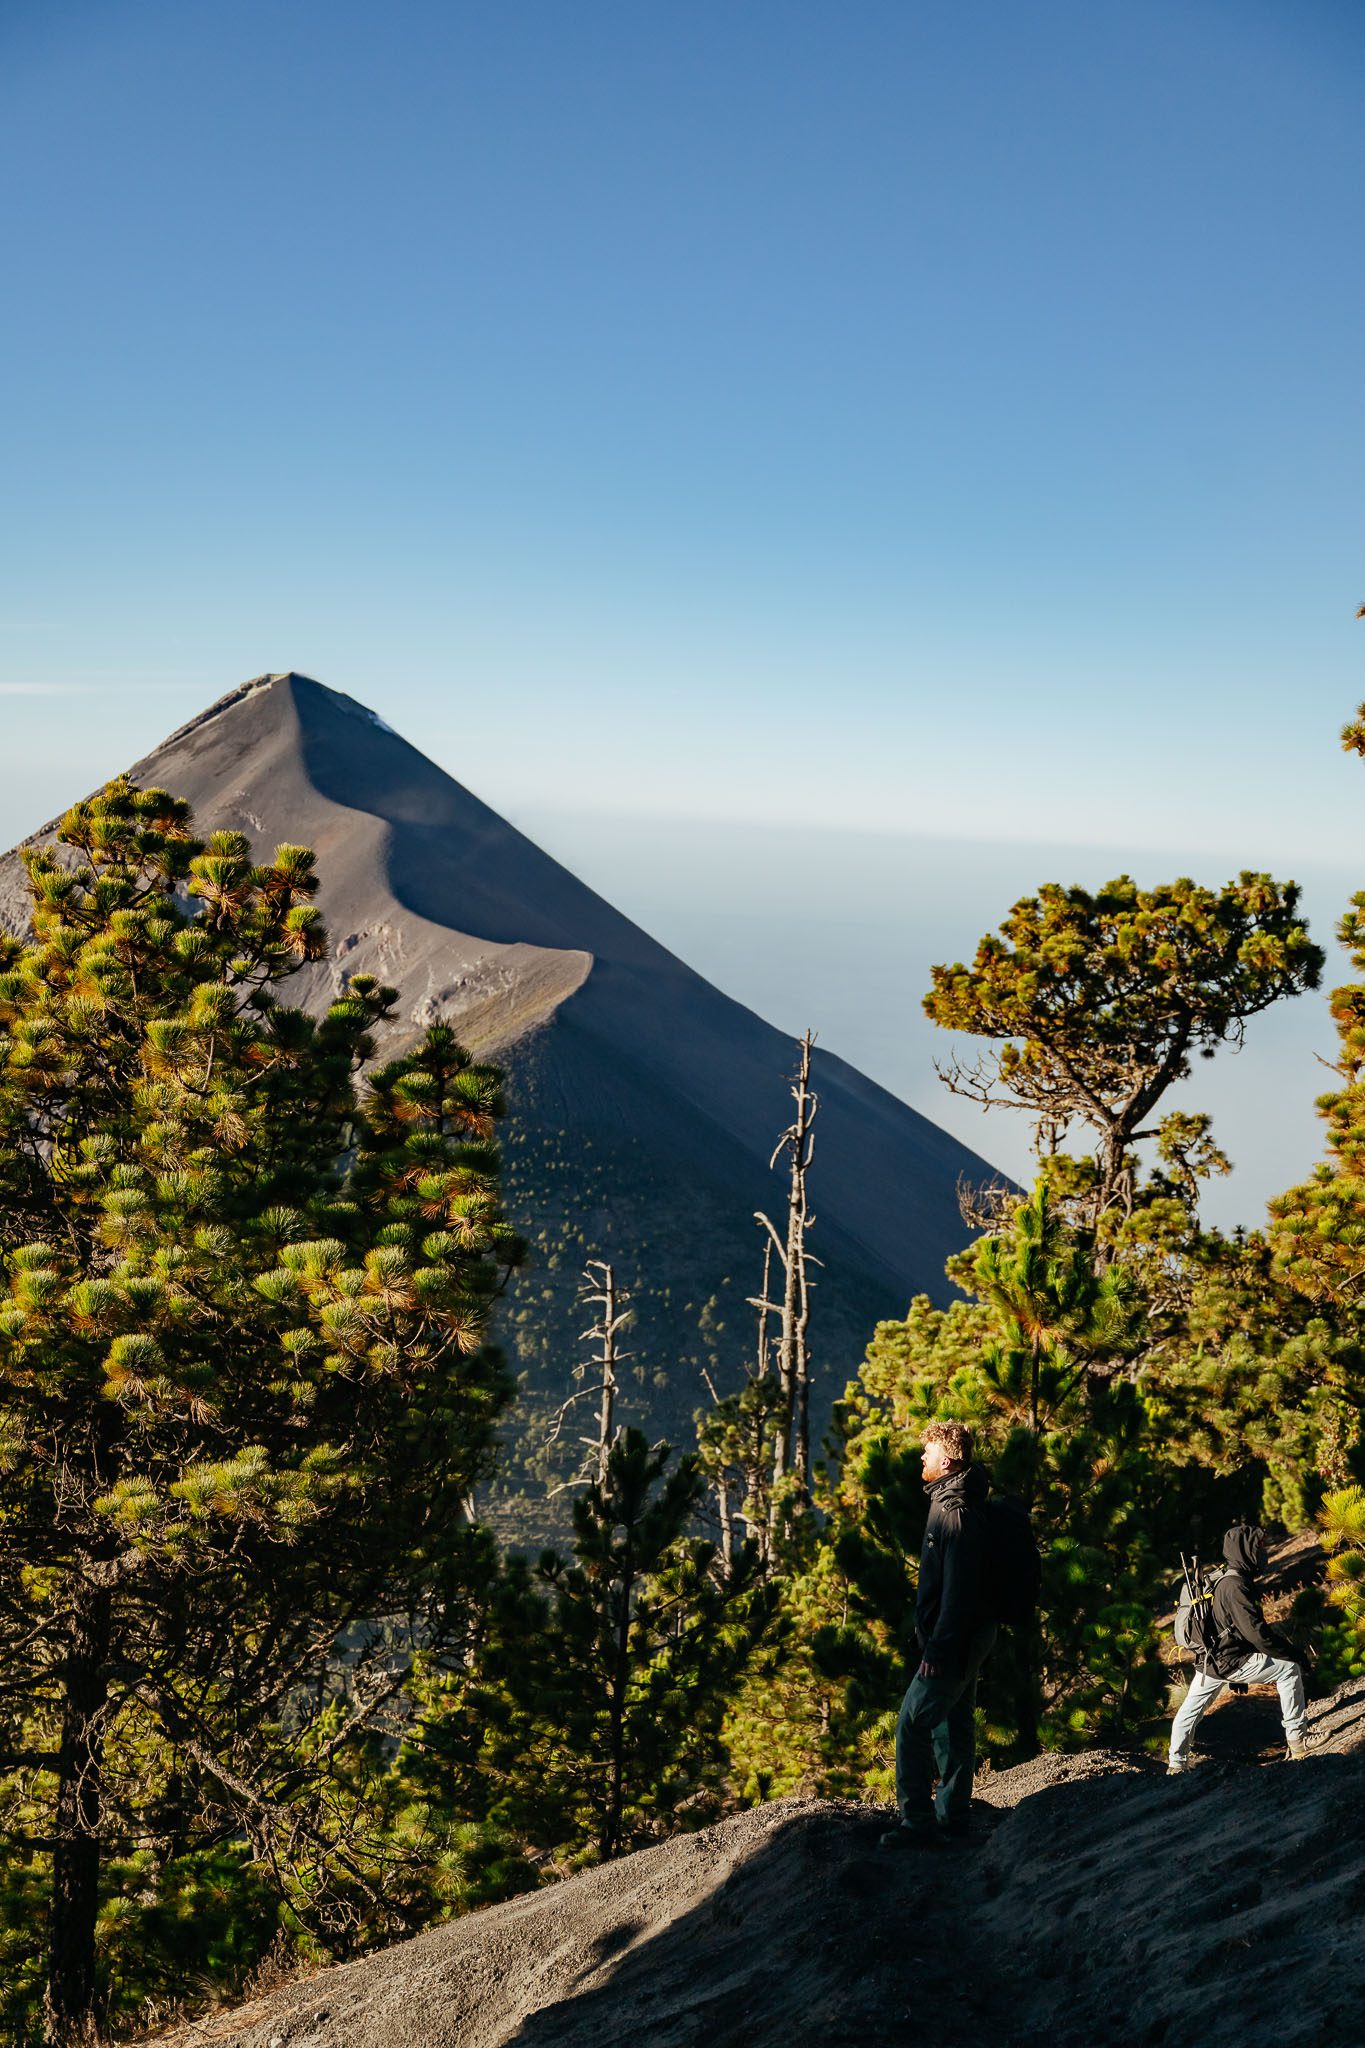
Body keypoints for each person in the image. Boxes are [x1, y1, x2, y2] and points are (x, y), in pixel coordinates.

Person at [882, 1418, 997, 1845]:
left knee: (912, 1724)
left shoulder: (957, 1513)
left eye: (926, 1452)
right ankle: (952, 1817)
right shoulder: (952, 1500)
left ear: (945, 1461)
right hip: (965, 1635)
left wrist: (939, 1649)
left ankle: (916, 1824)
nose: (921, 1458)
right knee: (953, 1723)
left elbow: (959, 1594)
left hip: (957, 1639)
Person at [1167, 1521, 1308, 1775]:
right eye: (1259, 1546)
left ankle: (1176, 1765)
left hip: (1211, 1659)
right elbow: (1258, 1635)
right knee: (1289, 1669)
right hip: (1230, 1660)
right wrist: (1295, 1654)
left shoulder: (1226, 1579)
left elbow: (1233, 1628)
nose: (1263, 1552)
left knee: (1189, 1712)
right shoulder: (1236, 1586)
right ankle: (1298, 1744)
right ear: (1245, 1550)